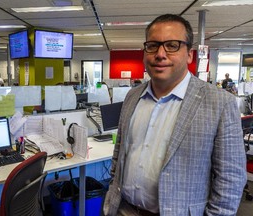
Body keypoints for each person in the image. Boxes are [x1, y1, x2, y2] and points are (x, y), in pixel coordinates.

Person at [103, 14, 246, 216]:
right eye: (153, 45)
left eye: (172, 45)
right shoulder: (132, 97)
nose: (160, 54)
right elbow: (120, 154)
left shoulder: (220, 103)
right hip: (123, 210)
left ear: (189, 54)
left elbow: (230, 180)